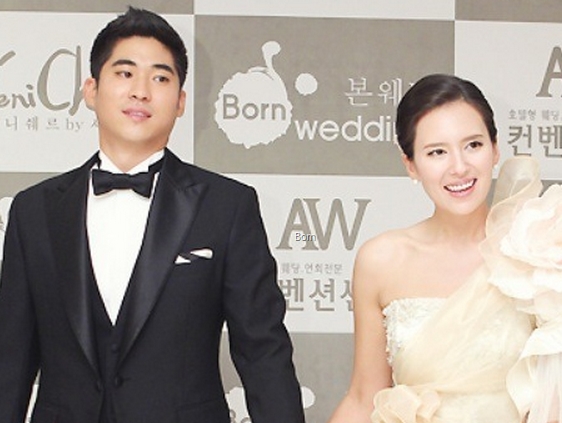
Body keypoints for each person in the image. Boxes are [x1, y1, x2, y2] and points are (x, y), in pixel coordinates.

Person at [0, 7, 305, 423]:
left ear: (180, 102)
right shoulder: (33, 210)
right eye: (125, 73)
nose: (141, 91)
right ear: (91, 89)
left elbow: (263, 353)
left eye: (160, 78)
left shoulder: (227, 206)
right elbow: (11, 360)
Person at [327, 74, 562, 423]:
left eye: (473, 145)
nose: (459, 167)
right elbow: (363, 397)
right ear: (410, 165)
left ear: (495, 149)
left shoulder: (537, 250)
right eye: (437, 152)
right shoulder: (381, 260)